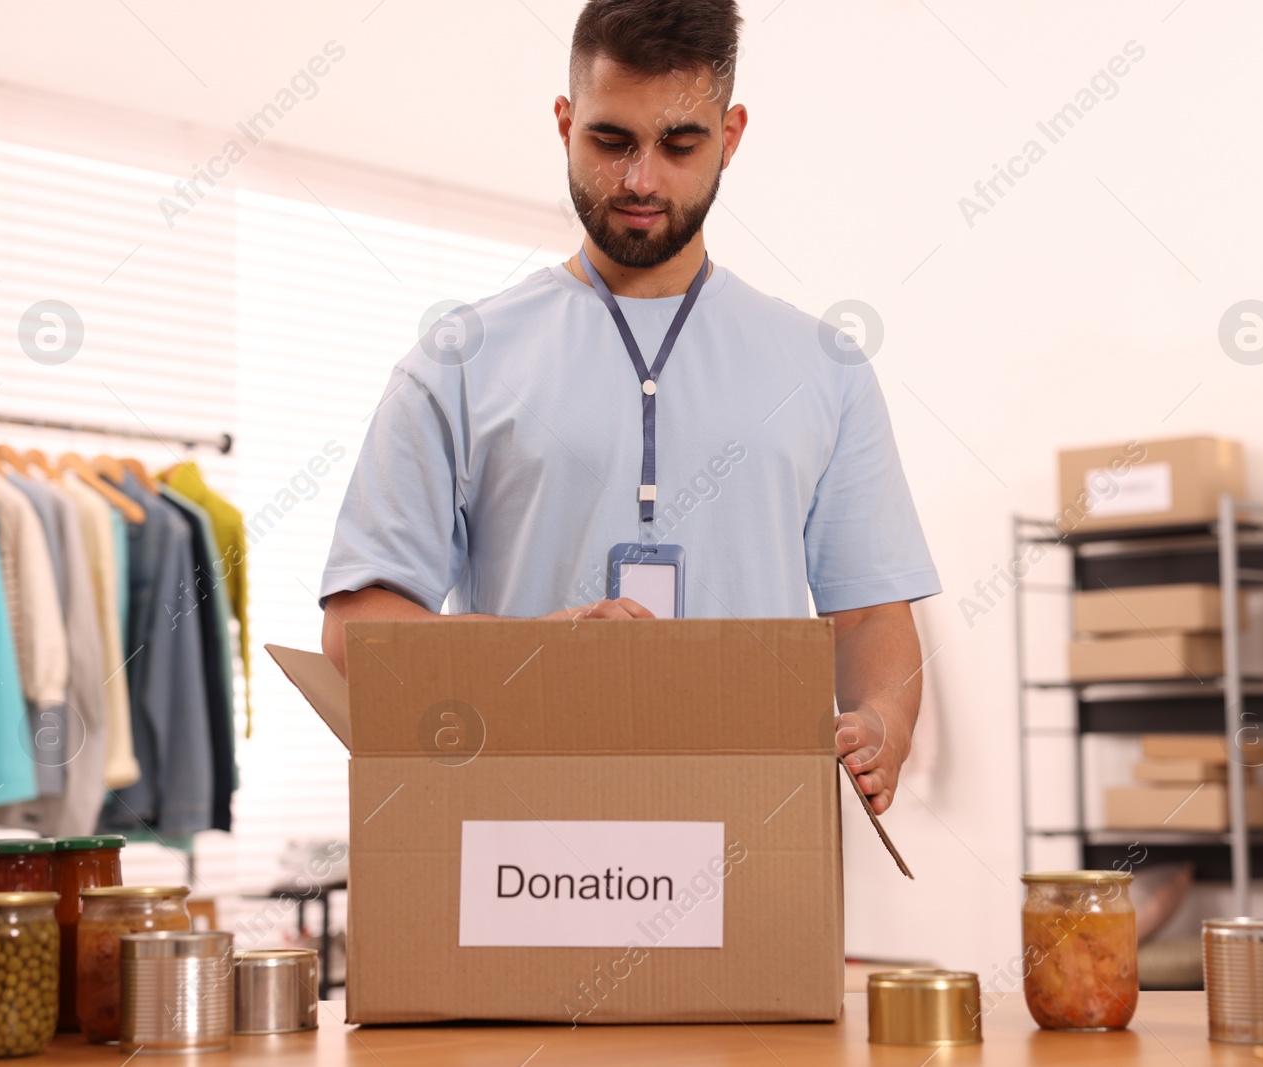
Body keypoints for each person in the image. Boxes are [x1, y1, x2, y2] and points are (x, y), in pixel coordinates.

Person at [319, 0, 941, 814]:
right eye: (611, 141)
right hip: (520, 847)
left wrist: (883, 721)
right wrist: (547, 649)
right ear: (564, 122)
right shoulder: (458, 362)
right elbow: (356, 630)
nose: (641, 179)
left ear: (733, 134)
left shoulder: (824, 368)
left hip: (754, 841)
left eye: (680, 144)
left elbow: (868, 622)